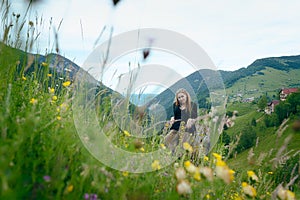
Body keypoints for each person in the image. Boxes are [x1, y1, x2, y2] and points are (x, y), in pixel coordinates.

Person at [164, 88, 198, 153]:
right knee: (166, 140)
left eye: (182, 96)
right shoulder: (175, 105)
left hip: (188, 129)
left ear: (186, 96)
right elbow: (176, 116)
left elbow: (195, 117)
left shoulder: (193, 105)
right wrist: (172, 118)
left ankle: (182, 157)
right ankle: (173, 154)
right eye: (179, 97)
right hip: (176, 128)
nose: (181, 99)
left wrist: (191, 120)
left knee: (183, 145)